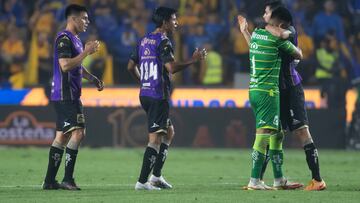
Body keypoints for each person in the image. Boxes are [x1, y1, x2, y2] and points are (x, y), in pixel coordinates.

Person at [127, 6, 207, 190]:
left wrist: (143, 81)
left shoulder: (143, 40)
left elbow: (130, 66)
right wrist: (193, 60)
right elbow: (171, 68)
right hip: (157, 95)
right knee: (155, 139)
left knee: (169, 132)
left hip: (145, 93)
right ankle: (142, 182)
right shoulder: (163, 41)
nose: (176, 22)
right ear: (164, 22)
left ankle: (156, 176)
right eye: (173, 19)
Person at [259, 1, 326, 191]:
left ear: (277, 19)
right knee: (271, 132)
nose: (264, 17)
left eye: (266, 13)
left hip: (290, 88)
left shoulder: (289, 31)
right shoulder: (271, 32)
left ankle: (317, 180)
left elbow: (285, 40)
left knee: (301, 131)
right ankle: (260, 180)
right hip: (275, 90)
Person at [238, 6, 303, 190]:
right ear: (282, 25)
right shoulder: (277, 40)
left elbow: (253, 47)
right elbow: (299, 54)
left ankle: (279, 179)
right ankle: (254, 180)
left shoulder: (257, 34)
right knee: (263, 135)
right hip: (268, 92)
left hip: (255, 90)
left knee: (277, 133)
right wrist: (290, 39)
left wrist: (245, 32)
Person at [42, 4, 104, 190]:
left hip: (69, 93)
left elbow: (76, 66)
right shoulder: (64, 38)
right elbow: (65, 66)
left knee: (61, 137)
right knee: (79, 132)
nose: (87, 21)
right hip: (65, 94)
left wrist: (91, 78)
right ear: (73, 19)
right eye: (84, 18)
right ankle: (68, 179)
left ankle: (50, 181)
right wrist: (86, 52)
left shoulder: (76, 39)